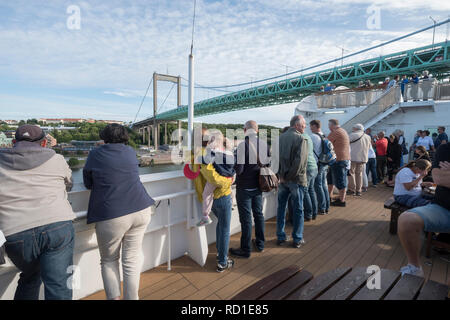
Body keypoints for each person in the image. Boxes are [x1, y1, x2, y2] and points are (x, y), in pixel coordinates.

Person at [0, 125, 76, 300]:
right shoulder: (57, 159)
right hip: (57, 226)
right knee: (59, 286)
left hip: (16, 233)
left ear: (13, 142)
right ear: (43, 143)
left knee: (30, 277)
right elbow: (69, 184)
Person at [83, 124, 155, 300]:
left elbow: (87, 182)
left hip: (113, 214)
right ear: (124, 137)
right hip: (141, 209)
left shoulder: (95, 154)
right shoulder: (130, 151)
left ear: (104, 137)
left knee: (109, 260)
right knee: (131, 260)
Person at [397, 143, 450, 277]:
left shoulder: (414, 172)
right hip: (406, 197)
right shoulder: (446, 149)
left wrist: (423, 181)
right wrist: (422, 178)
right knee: (407, 219)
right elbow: (439, 178)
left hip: (416, 195)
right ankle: (414, 267)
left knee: (425, 200)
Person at [191, 129, 235, 272]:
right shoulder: (205, 155)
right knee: (224, 229)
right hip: (221, 196)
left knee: (220, 226)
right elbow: (214, 178)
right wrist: (229, 181)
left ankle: (219, 254)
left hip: (210, 199)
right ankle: (222, 262)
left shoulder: (195, 155)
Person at [230, 121, 270, 258]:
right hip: (259, 186)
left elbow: (239, 170)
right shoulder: (265, 144)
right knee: (258, 215)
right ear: (257, 131)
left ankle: (245, 249)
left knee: (246, 220)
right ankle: (260, 244)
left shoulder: (242, 145)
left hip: (245, 188)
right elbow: (268, 164)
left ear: (245, 130)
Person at [276, 115, 309, 248]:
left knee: (281, 208)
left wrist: (281, 176)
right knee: (298, 210)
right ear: (296, 125)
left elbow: (274, 160)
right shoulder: (302, 139)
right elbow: (299, 164)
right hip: (295, 180)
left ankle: (280, 236)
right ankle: (297, 238)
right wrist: (288, 177)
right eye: (303, 124)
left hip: (282, 180)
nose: (305, 126)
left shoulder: (279, 138)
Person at [197, 132, 235, 227]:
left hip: (218, 182)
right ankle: (233, 203)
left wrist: (199, 158)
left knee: (206, 194)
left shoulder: (213, 152)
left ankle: (205, 215)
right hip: (228, 179)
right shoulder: (228, 152)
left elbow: (206, 162)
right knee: (230, 189)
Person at [327, 119, 351, 207]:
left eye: (329, 125)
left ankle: (341, 200)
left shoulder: (335, 132)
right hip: (343, 159)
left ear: (333, 125)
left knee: (340, 181)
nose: (329, 128)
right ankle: (332, 196)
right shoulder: (343, 131)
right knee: (334, 180)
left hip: (338, 160)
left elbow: (326, 142)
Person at [310, 120, 331, 215]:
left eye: (310, 126)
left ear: (314, 126)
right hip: (324, 163)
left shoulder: (313, 137)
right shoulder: (324, 135)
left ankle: (322, 208)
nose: (310, 128)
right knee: (323, 185)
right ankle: (327, 206)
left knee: (318, 186)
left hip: (317, 164)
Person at [348, 124, 372, 196]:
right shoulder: (368, 137)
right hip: (363, 158)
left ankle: (352, 189)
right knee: (359, 174)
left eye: (353, 128)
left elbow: (346, 143)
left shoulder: (353, 135)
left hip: (353, 157)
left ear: (356, 128)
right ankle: (359, 190)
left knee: (351, 173)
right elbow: (368, 147)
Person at [302, 129, 318, 221]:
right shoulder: (308, 136)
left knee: (305, 191)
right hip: (313, 166)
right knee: (311, 190)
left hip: (307, 168)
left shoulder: (301, 138)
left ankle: (308, 214)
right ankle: (314, 213)